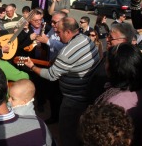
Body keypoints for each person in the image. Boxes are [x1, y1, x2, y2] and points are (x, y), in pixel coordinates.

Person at [24, 17, 100, 146]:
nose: (57, 36)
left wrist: (32, 66)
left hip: (73, 99)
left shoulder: (66, 53)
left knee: (66, 132)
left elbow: (51, 75)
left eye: (59, 32)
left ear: (68, 32)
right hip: (87, 92)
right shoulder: (86, 39)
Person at [95, 43, 142, 145]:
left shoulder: (114, 104)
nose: (105, 65)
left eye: (107, 62)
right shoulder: (140, 86)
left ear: (116, 69)